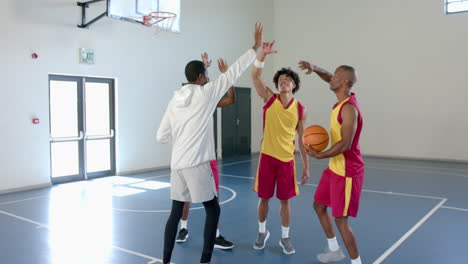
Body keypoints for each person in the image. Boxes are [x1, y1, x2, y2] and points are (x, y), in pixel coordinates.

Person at [156, 23, 262, 264]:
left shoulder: (175, 100)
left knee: (175, 212)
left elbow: (161, 136)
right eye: (206, 74)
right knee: (213, 209)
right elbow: (234, 71)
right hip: (198, 163)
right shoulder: (206, 94)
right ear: (202, 77)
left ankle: (165, 260)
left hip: (177, 166)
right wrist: (255, 47)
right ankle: (205, 260)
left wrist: (182, 135)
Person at [298, 60, 364, 264]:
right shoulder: (340, 98)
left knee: (341, 220)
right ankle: (334, 249)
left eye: (336, 76)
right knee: (318, 206)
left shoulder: (349, 109)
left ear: (344, 82)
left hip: (347, 171)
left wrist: (320, 155)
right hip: (335, 168)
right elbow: (328, 77)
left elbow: (345, 144)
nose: (331, 77)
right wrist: (316, 69)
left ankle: (357, 262)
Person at [251, 41, 310, 255]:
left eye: (288, 79)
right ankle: (261, 232)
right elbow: (256, 77)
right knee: (264, 198)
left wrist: (306, 166)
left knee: (285, 201)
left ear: (294, 85)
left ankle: (285, 237)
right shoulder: (269, 98)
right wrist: (263, 55)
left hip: (287, 160)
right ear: (278, 85)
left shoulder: (300, 109)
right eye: (281, 80)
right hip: (267, 157)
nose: (284, 81)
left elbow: (302, 139)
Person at [175, 52, 235, 250]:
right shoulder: (188, 98)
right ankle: (186, 229)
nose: (208, 77)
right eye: (206, 74)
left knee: (198, 197)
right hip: (200, 157)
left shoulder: (204, 99)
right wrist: (227, 74)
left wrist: (212, 72)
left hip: (193, 156)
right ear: (200, 77)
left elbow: (230, 99)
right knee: (199, 198)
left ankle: (211, 234)